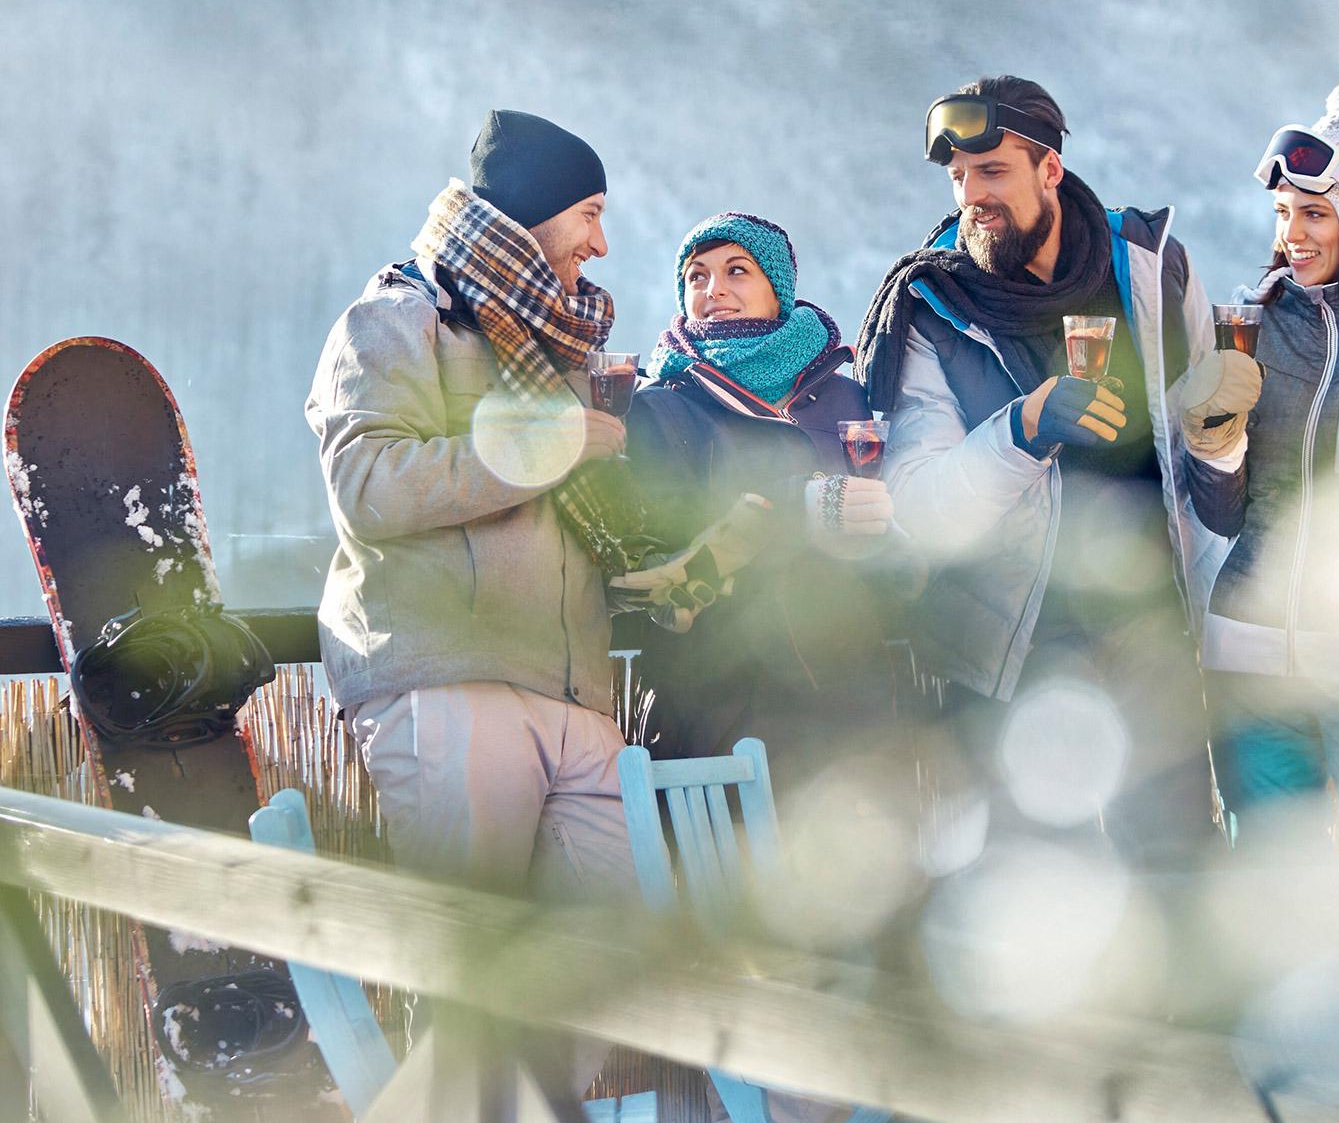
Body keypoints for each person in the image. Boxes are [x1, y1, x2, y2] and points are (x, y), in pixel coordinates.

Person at [855, 74, 1224, 863]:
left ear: (1049, 168)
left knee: (1177, 880)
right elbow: (920, 510)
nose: (971, 198)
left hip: (1149, 642)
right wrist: (1021, 430)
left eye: (992, 173)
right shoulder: (934, 307)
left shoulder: (1152, 271)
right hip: (1009, 657)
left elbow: (1203, 454)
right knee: (1029, 912)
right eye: (958, 180)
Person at [305, 108, 637, 899]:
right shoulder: (395, 318)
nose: (601, 245)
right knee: (474, 986)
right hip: (450, 682)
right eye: (589, 216)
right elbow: (368, 485)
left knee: (614, 983)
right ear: (530, 218)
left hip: (578, 698)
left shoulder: (554, 341)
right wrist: (543, 446)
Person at [1180, 79, 1339, 847]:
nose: (1294, 234)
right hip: (1252, 659)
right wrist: (1215, 444)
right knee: (1275, 893)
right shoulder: (1249, 327)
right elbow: (1223, 515)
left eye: (1315, 214)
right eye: (1284, 214)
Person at [621, 211, 914, 792]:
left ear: (777, 291)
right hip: (718, 700)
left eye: (737, 271)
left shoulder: (843, 395)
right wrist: (795, 507)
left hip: (850, 692)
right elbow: (655, 550)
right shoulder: (659, 407)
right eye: (697, 277)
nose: (714, 291)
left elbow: (889, 520)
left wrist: (889, 541)